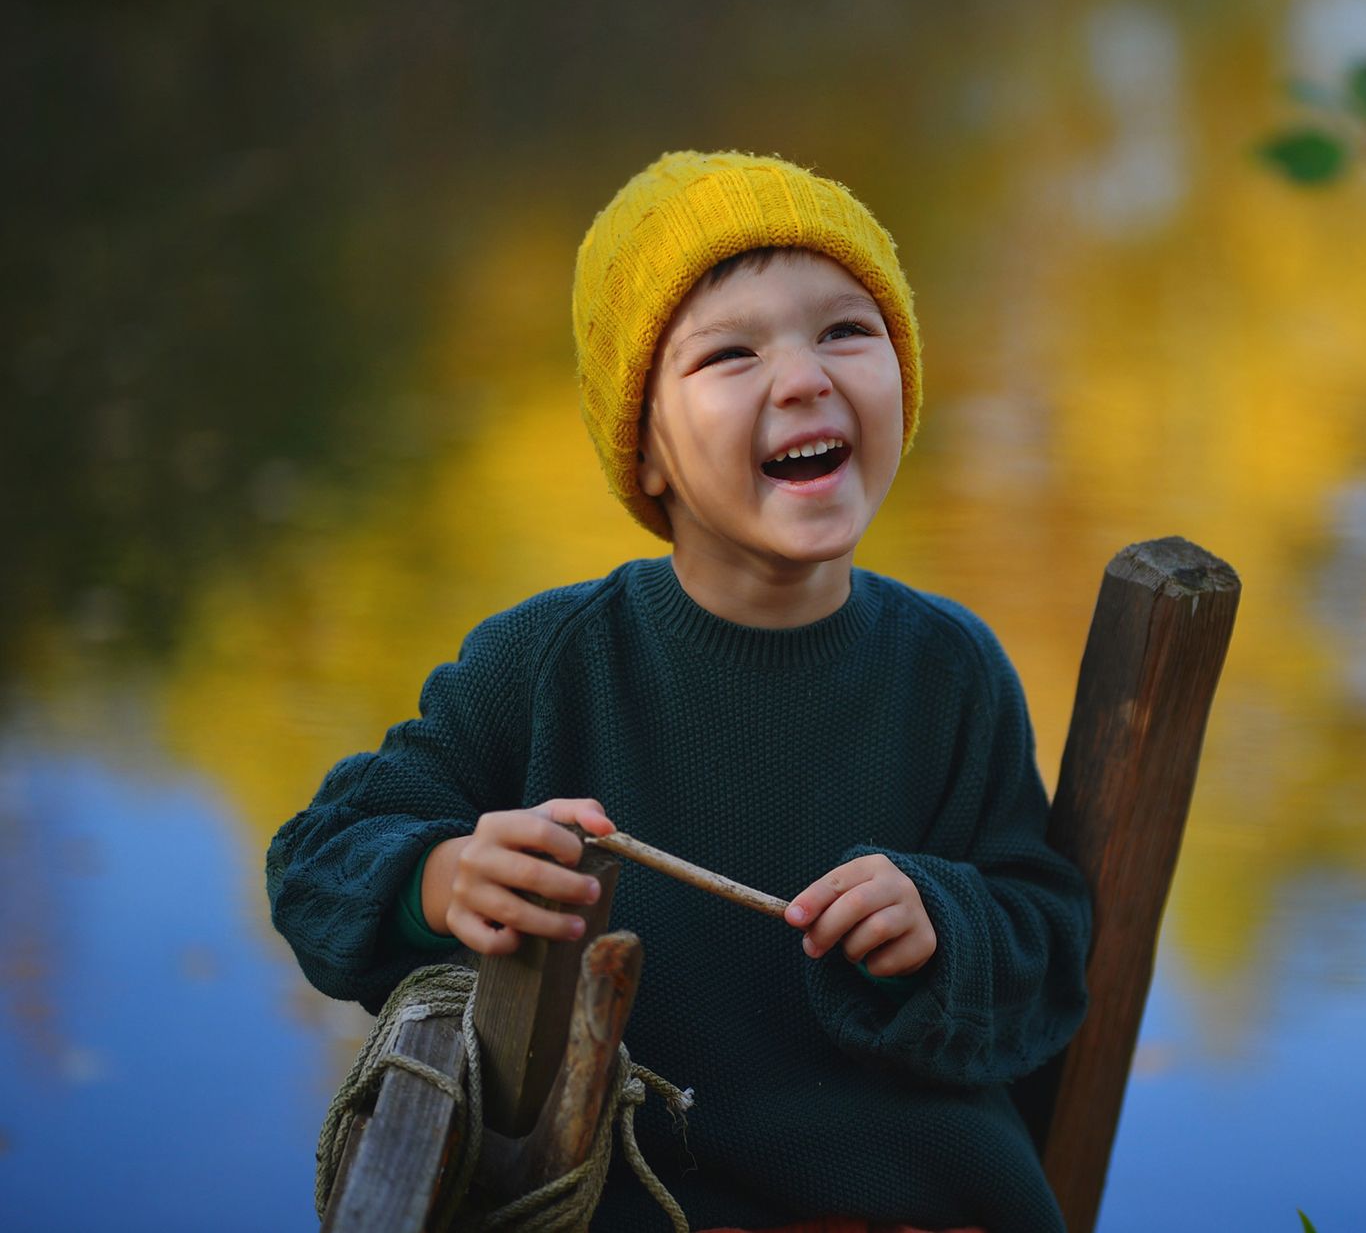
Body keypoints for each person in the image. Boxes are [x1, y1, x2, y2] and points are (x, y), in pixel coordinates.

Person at [266, 150, 1092, 1233]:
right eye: (729, 353)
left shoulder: (950, 674)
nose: (802, 378)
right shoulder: (547, 664)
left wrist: (942, 925)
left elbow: (1045, 957)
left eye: (846, 330)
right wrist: (438, 875)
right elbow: (314, 861)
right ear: (645, 449)